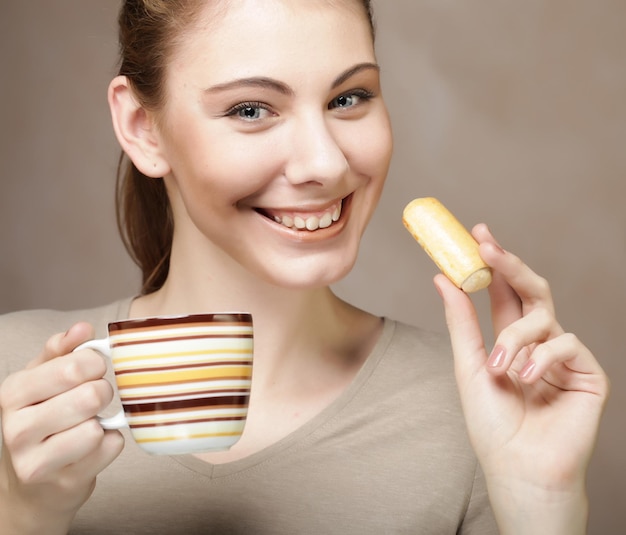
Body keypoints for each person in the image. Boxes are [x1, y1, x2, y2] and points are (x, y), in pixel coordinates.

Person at [0, 1, 609, 533]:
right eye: (250, 109)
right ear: (143, 128)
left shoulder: (485, 409)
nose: (325, 162)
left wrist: (541, 506)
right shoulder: (13, 379)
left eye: (349, 98)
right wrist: (23, 517)